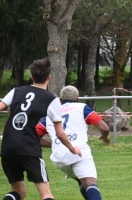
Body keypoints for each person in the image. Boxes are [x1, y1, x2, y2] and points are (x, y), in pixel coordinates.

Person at [0, 58, 81, 200]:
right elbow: (60, 133)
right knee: (46, 194)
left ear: (32, 77)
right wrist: (72, 148)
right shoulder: (52, 99)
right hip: (29, 148)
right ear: (49, 78)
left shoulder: (16, 91)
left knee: (19, 192)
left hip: (8, 147)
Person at [36, 85, 110, 200]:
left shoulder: (50, 114)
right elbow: (104, 128)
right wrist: (104, 136)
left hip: (59, 157)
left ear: (60, 100)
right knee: (90, 182)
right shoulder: (82, 107)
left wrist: (54, 144)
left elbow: (34, 137)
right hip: (77, 152)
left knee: (81, 179)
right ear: (77, 99)